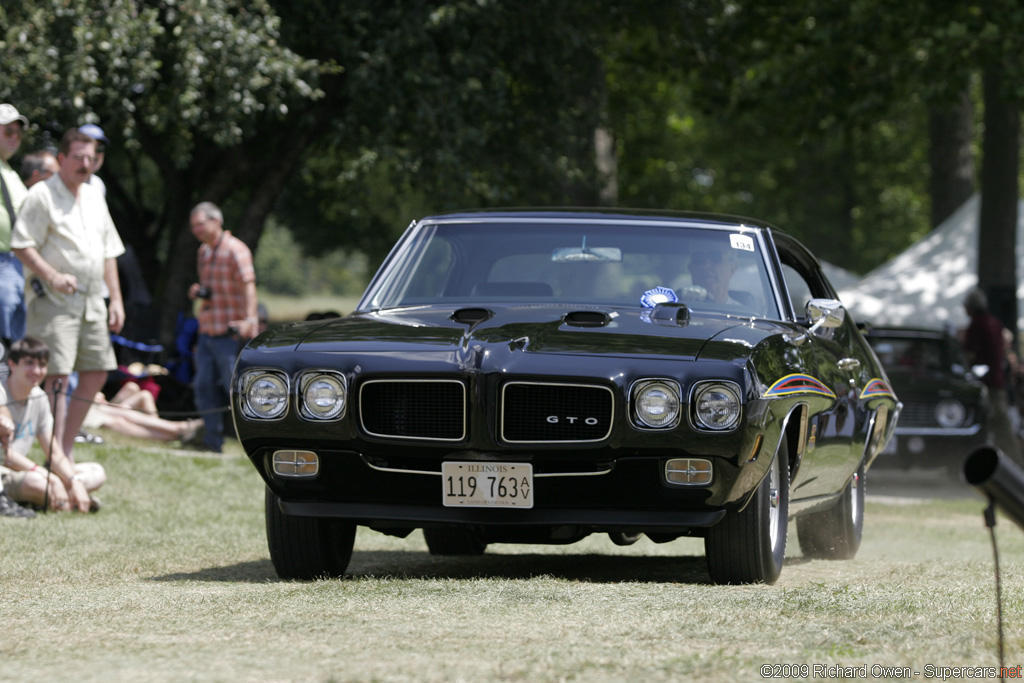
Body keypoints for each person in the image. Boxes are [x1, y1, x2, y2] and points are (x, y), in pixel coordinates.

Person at [11, 128, 126, 458]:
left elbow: (109, 252)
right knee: (57, 378)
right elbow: (22, 245)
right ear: (61, 158)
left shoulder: (93, 196)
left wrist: (115, 300)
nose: (85, 164)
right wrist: (52, 276)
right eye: (78, 157)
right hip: (54, 301)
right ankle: (53, 457)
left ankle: (63, 449)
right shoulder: (42, 195)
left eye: (91, 158)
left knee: (97, 372)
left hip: (92, 302)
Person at [1, 337, 104, 513]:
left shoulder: (39, 398)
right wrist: (52, 479)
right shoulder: (1, 392)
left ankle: (62, 498)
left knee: (97, 472)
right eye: (29, 363)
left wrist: (74, 481)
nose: (36, 370)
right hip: (5, 473)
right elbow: (8, 455)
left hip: (29, 472)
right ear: (12, 364)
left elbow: (55, 453)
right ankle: (67, 500)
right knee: (38, 482)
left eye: (42, 365)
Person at [187, 201, 257, 453]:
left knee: (237, 390)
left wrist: (250, 320)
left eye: (200, 224)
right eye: (193, 226)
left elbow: (249, 285)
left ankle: (253, 442)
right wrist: (200, 292)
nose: (196, 230)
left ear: (216, 221)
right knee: (204, 386)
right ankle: (212, 442)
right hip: (207, 331)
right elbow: (211, 290)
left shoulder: (235, 250)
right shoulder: (203, 252)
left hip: (231, 332)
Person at [962, 287, 1023, 464]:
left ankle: (1016, 465)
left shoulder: (976, 324)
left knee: (998, 426)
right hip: (997, 382)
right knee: (1000, 427)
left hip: (986, 385)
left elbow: (970, 354)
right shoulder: (995, 322)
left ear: (971, 307)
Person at [0, 103, 30, 351]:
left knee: (14, 345)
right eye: (8, 131)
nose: (15, 138)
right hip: (2, 262)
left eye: (18, 133)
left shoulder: (10, 172)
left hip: (17, 262)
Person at [0, 391, 35, 518]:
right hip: (8, 471)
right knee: (38, 483)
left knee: (97, 472)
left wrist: (5, 420)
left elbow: (2, 409)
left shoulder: (38, 395)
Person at [77, 123, 108, 197]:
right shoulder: (62, 181)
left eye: (99, 148)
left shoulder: (97, 184)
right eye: (88, 148)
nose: (94, 155)